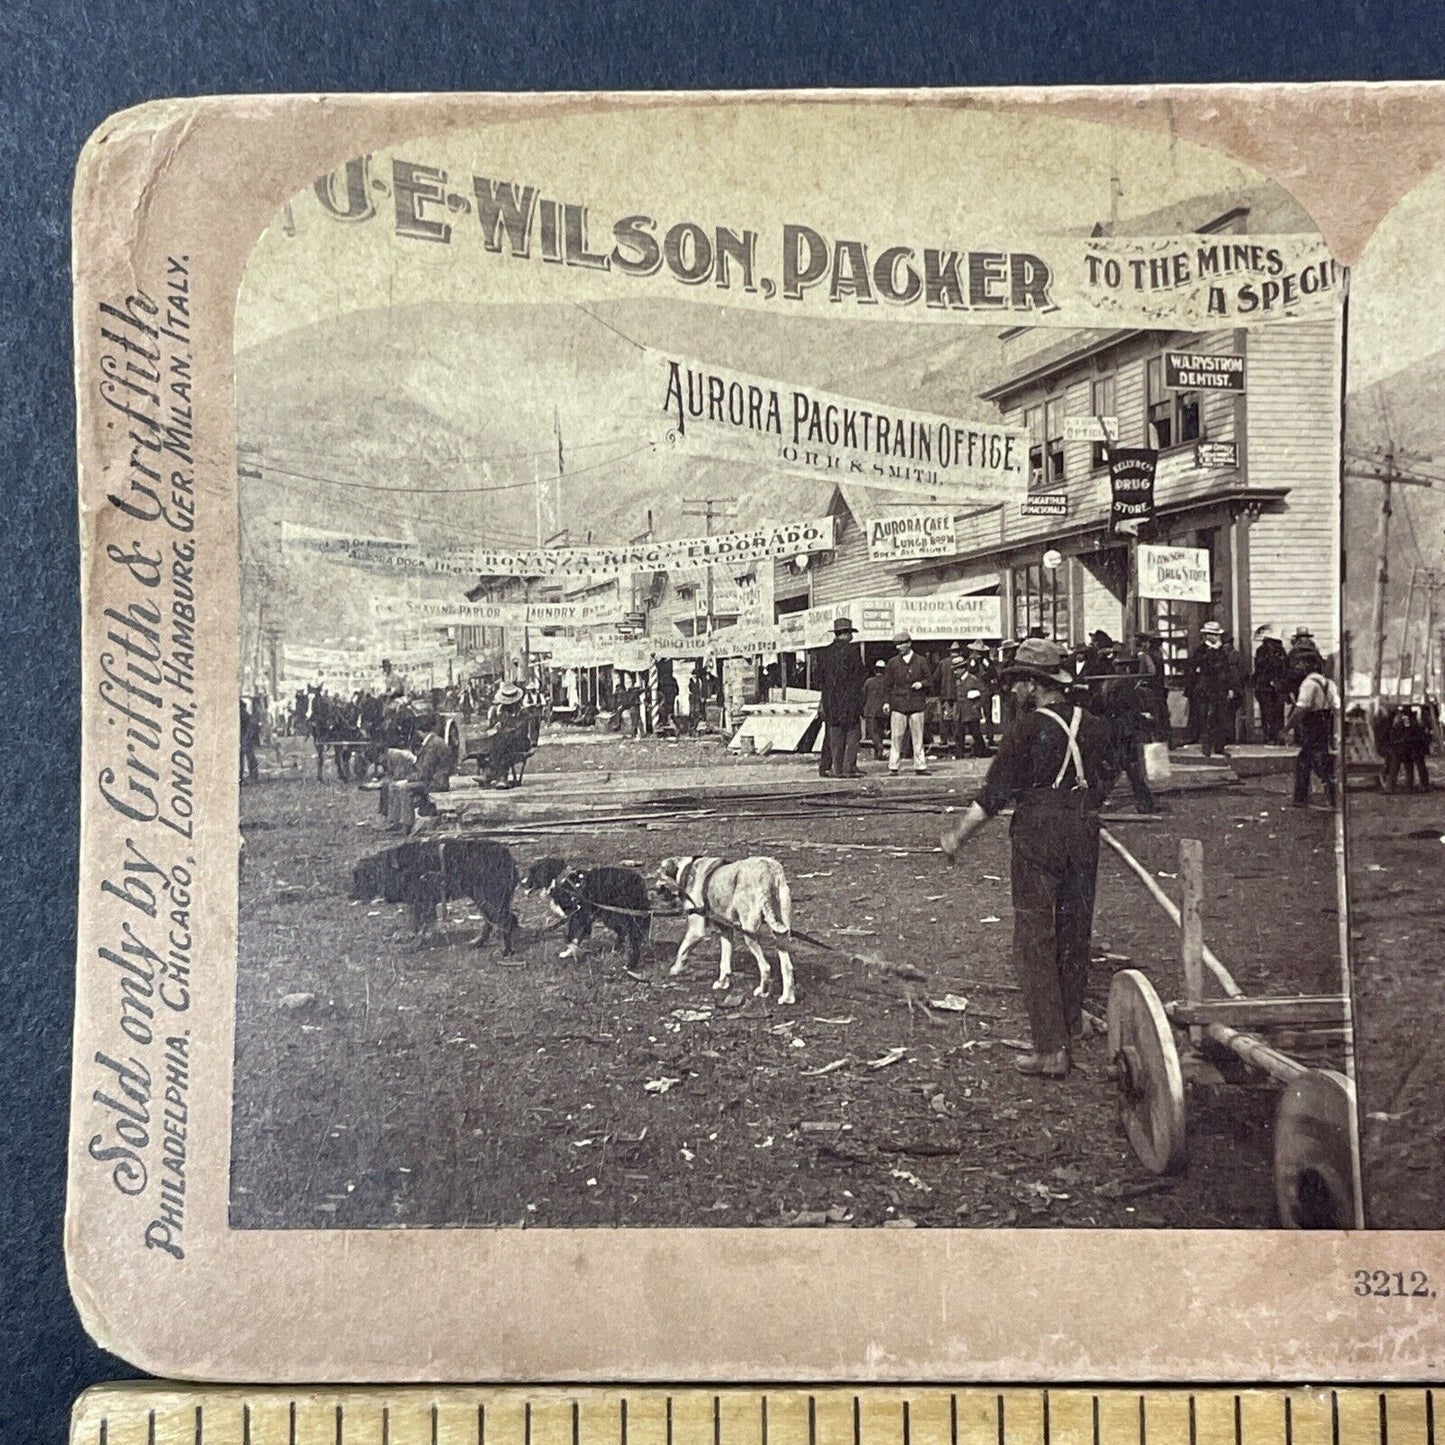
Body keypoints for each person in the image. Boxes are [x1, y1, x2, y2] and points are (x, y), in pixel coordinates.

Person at [938, 638, 1110, 1078]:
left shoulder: (1026, 730)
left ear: (1035, 685)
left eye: (1018, 683)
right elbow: (1107, 782)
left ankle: (1051, 1048)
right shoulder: (1094, 726)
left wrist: (958, 836)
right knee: (1075, 930)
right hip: (1084, 829)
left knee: (1034, 936)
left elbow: (993, 796)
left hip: (1039, 833)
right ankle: (1071, 1020)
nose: (1014, 691)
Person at [815, 616, 869, 778]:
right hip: (850, 701)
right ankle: (849, 768)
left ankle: (836, 769)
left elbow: (818, 679)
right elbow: (860, 676)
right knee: (853, 735)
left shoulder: (824, 652)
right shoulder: (853, 651)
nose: (852, 637)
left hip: (831, 702)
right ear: (846, 634)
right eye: (851, 633)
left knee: (834, 736)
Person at [1285, 653, 1339, 808]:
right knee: (1311, 758)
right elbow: (1336, 707)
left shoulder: (1308, 684)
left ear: (1309, 666)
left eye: (1301, 663)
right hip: (1325, 722)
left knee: (1312, 760)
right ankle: (1302, 798)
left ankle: (1307, 797)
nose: (1298, 667)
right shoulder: (1329, 683)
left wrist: (1287, 727)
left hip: (1312, 723)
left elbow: (1301, 709)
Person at [1186, 620, 1240, 758]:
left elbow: (1226, 670)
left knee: (1221, 717)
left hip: (1220, 688)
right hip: (1205, 689)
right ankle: (1206, 747)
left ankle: (1219, 747)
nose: (1216, 637)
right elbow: (1199, 668)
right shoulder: (1201, 650)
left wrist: (1230, 688)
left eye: (1216, 634)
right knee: (1205, 718)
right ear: (1206, 635)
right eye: (1212, 634)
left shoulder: (1222, 651)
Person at [882, 630, 933, 776]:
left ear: (909, 643)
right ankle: (893, 766)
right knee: (896, 737)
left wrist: (921, 684)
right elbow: (887, 685)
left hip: (916, 704)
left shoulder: (921, 661)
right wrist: (886, 702)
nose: (898, 647)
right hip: (898, 704)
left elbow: (930, 680)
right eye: (897, 644)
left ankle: (920, 766)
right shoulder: (892, 663)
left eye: (901, 644)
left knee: (918, 736)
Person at [1252, 627, 1290, 744]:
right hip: (1269, 686)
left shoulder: (1271, 651)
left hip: (1270, 686)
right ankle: (1272, 736)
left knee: (1271, 712)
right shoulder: (1266, 651)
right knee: (1273, 712)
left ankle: (1274, 736)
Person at [1384, 705, 1431, 793]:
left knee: (1400, 767)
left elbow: (1403, 731)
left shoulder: (1404, 721)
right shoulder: (1416, 720)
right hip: (1411, 746)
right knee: (1411, 767)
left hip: (1404, 746)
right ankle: (1412, 786)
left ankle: (1395, 787)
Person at [862, 660, 888, 760]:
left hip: (870, 711)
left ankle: (879, 749)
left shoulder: (868, 682)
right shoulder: (887, 682)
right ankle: (879, 753)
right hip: (882, 712)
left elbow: (863, 696)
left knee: (873, 733)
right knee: (880, 733)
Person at [239, 697, 261, 784]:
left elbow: (252, 727)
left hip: (246, 737)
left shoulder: (244, 714)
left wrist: (247, 738)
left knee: (248, 757)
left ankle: (252, 776)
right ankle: (252, 775)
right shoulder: (247, 715)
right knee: (248, 757)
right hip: (245, 737)